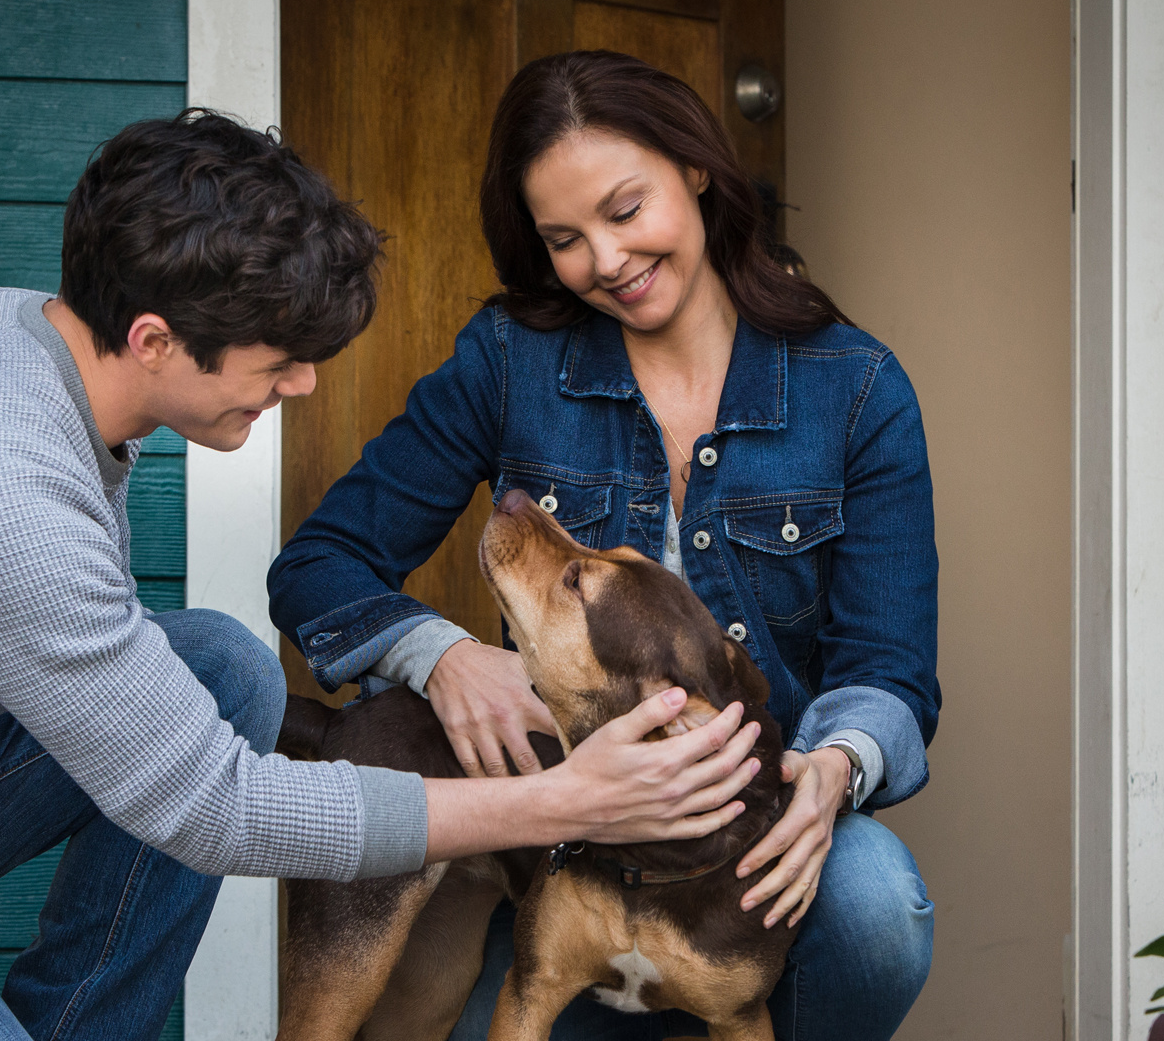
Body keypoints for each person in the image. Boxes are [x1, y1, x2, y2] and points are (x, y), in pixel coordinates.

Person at [0, 110, 759, 1041]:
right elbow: (212, 811)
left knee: (223, 669)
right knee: (203, 755)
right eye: (281, 361)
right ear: (154, 340)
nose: (301, 388)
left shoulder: (25, 334)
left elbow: (166, 740)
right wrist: (561, 805)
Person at [268, 52, 939, 1040]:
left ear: (698, 170)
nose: (607, 261)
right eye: (565, 239)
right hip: (552, 845)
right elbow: (320, 565)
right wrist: (442, 655)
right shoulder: (511, 358)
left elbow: (892, 673)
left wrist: (836, 766)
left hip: (740, 845)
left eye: (626, 211)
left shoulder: (858, 391)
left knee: (878, 905)